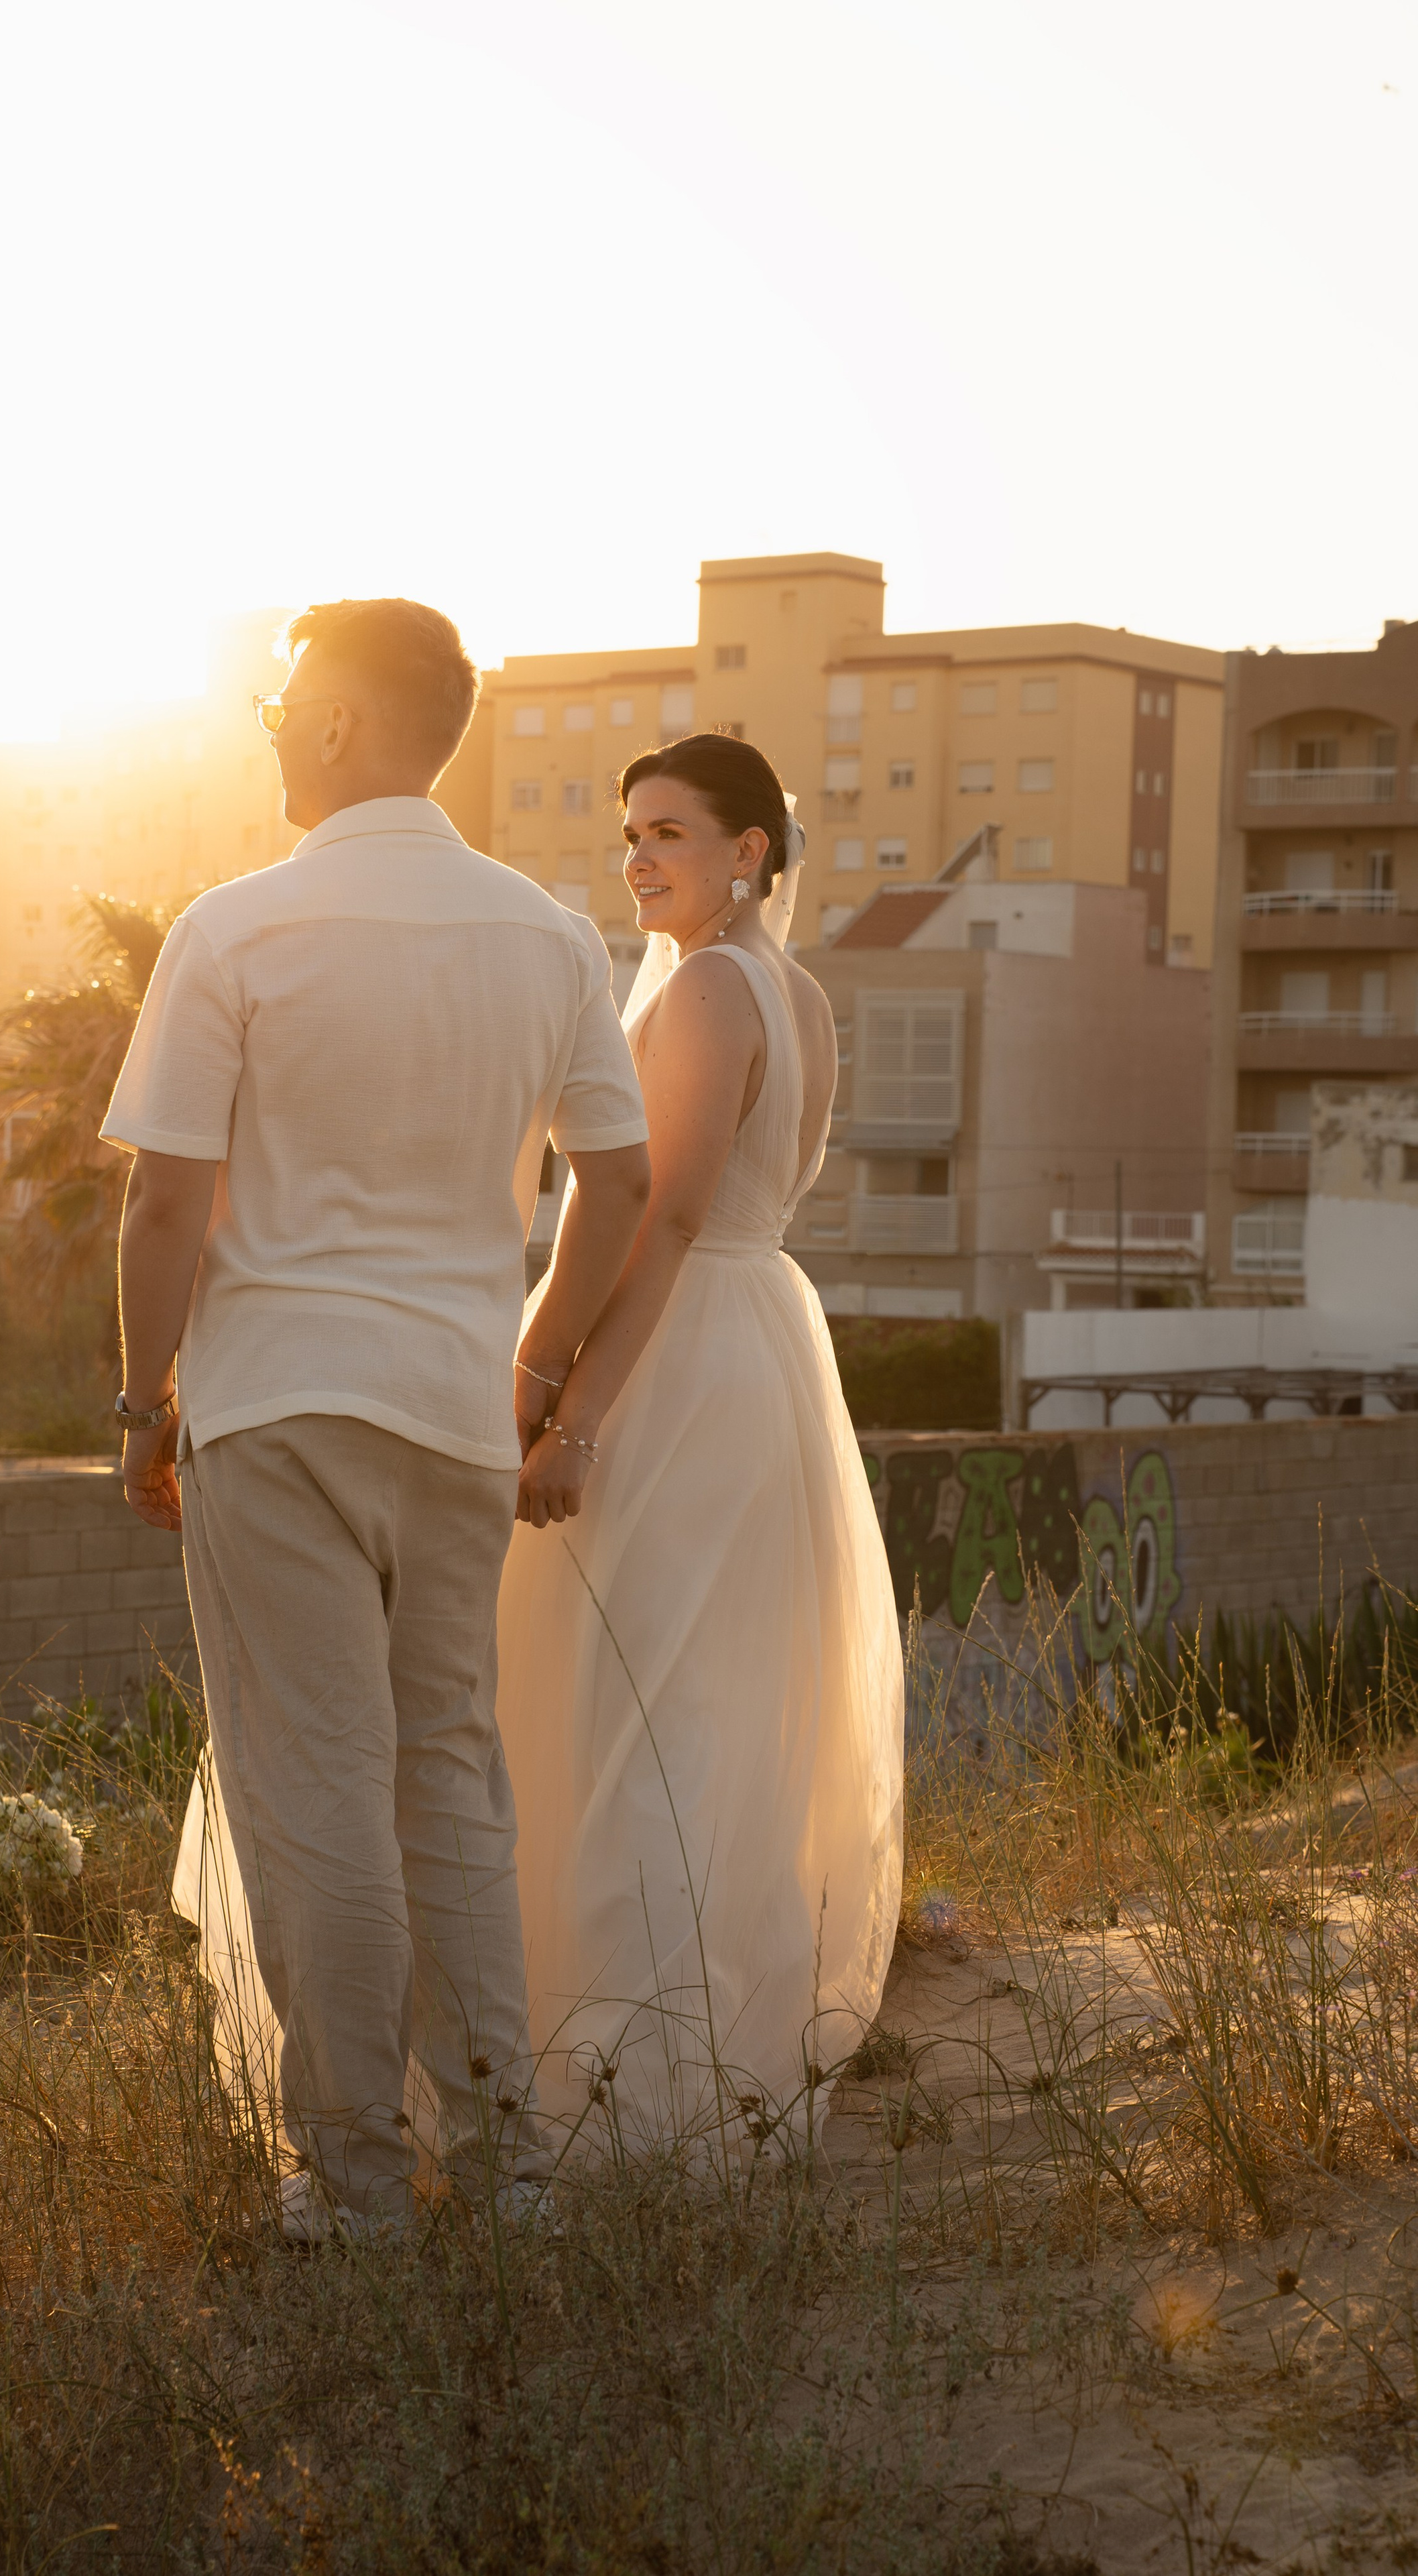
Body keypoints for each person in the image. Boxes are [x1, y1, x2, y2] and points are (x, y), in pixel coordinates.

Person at [102, 597, 651, 2235]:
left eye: (284, 702)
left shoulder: (235, 928)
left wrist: (140, 1405)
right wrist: (531, 1372)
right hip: (456, 1417)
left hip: (276, 1410)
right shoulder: (548, 936)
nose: (272, 727)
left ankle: (353, 2183)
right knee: (450, 1784)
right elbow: (619, 1180)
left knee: (318, 1791)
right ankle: (506, 2164)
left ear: (339, 721)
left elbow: (161, 1205)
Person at [494, 732, 904, 2145]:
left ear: (749, 851)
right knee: (703, 1711)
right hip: (756, 1346)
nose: (637, 858)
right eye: (629, 834)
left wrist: (565, 1406)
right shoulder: (797, 990)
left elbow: (660, 1219)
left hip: (677, 1363)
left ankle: (630, 2087)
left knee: (640, 1705)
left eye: (668, 831)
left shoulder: (713, 989)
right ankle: (697, 2063)